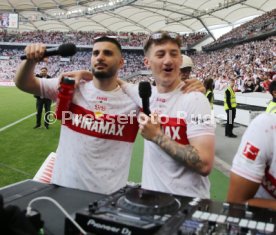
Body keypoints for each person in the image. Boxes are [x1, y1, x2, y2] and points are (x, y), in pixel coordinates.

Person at [14, 38, 204, 195]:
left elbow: (170, 94)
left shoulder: (136, 98)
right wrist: (30, 60)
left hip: (108, 198)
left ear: (121, 62)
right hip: (62, 188)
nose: (100, 57)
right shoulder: (73, 86)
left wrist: (193, 87)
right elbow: (25, 84)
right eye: (96, 53)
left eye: (108, 53)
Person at [119, 31, 215, 198]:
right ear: (147, 62)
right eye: (160, 54)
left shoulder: (196, 100)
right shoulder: (145, 94)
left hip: (187, 204)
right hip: (151, 201)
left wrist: (157, 136)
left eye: (174, 54)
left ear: (179, 59)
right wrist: (84, 75)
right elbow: (116, 81)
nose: (168, 60)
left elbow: (204, 164)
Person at [227, 113, 276, 210]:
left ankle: (229, 132)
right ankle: (228, 132)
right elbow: (235, 203)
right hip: (258, 219)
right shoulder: (266, 126)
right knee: (230, 120)